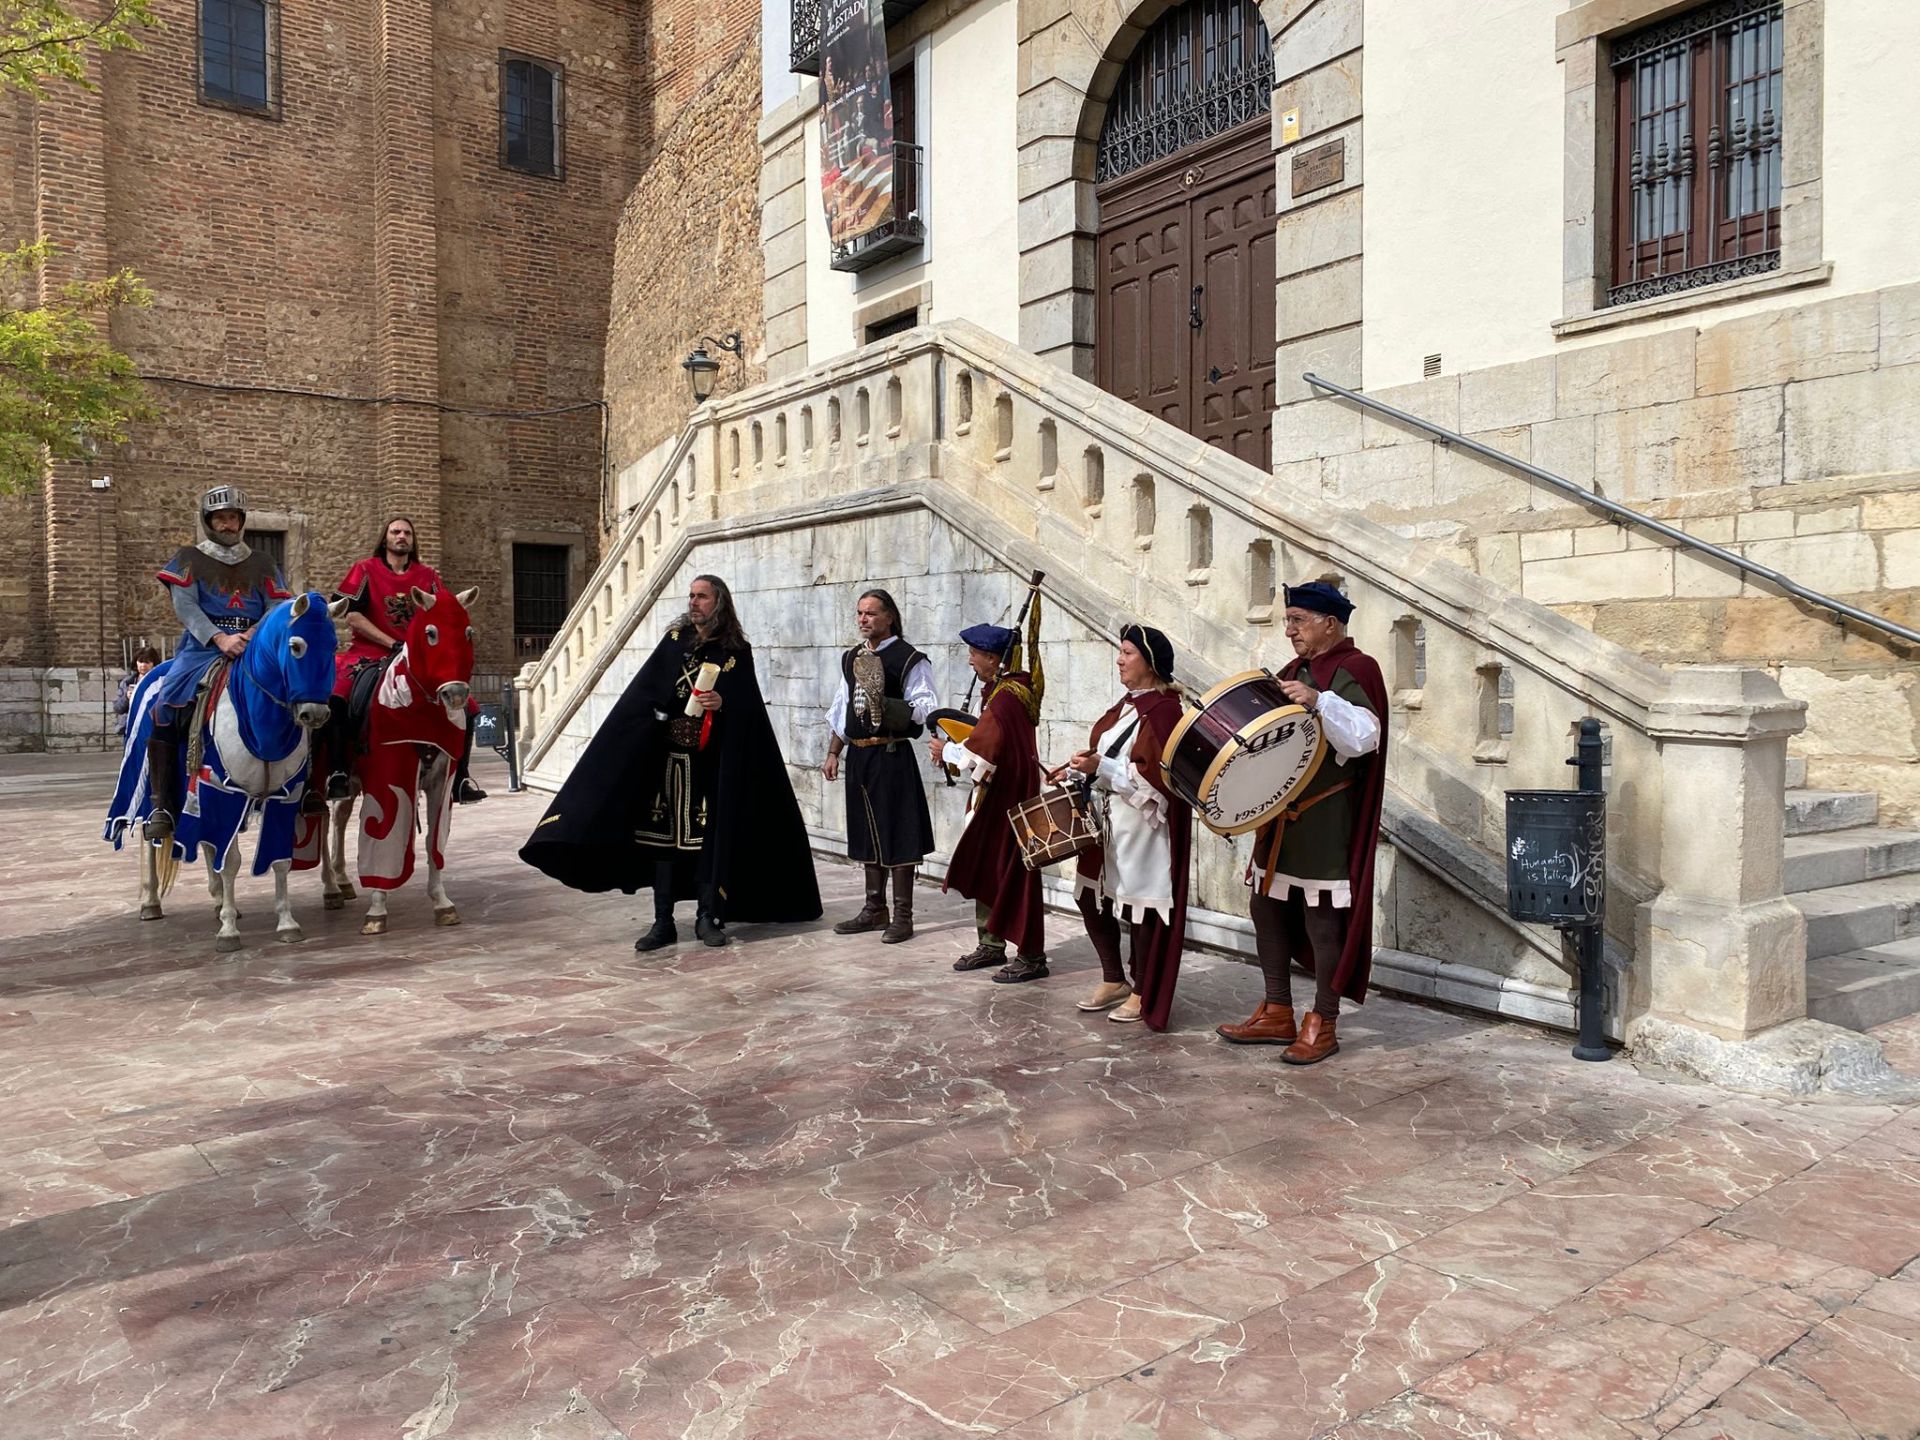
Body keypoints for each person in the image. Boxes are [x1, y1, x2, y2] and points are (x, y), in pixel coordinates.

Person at [520, 574, 820, 948]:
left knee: (707, 841)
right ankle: (663, 922)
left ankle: (707, 917)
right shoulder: (676, 641)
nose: (694, 602)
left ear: (719, 602)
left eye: (702, 596)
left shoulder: (735, 651)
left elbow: (749, 708)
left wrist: (722, 704)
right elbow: (646, 693)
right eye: (691, 595)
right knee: (662, 843)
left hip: (708, 765)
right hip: (665, 762)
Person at [1215, 581, 1388, 1066]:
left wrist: (1318, 700)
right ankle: (1276, 1010)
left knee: (1321, 916)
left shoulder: (1357, 669)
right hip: (1278, 816)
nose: (1289, 630)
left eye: (1298, 620)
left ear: (1330, 624)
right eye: (1287, 621)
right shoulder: (1292, 671)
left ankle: (1323, 1021)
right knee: (1265, 905)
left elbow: (1365, 737)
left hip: (1325, 816)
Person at [144, 485, 292, 842]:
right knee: (166, 704)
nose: (228, 524)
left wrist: (252, 635)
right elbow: (186, 606)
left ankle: (304, 784)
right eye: (221, 518)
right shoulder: (188, 558)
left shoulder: (263, 562)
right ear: (208, 521)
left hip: (256, 646)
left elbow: (277, 605)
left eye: (233, 518)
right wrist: (220, 638)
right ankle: (162, 804)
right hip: (202, 648)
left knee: (300, 694)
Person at [1062, 624, 1192, 1028]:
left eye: (1128, 653)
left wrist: (1101, 766)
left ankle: (1143, 989)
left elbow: (1158, 779)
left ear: (1150, 663)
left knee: (1142, 907)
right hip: (1107, 815)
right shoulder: (1127, 705)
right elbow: (1109, 756)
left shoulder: (1166, 710)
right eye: (1120, 652)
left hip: (1144, 823)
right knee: (1089, 895)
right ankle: (1114, 978)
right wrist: (1080, 770)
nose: (1119, 660)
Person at [321, 516, 486, 805]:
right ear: (385, 538)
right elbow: (353, 616)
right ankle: (339, 771)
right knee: (339, 696)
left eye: (407, 533)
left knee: (468, 706)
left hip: (416, 657)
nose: (401, 536)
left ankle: (461, 777)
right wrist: (392, 643)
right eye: (396, 531)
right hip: (369, 652)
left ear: (413, 540)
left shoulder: (427, 576)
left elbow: (442, 614)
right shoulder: (365, 569)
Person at [928, 623, 1048, 984]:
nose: (970, 661)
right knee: (988, 866)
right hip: (998, 795)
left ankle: (1031, 956)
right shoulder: (1003, 691)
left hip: (1007, 797)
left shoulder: (1007, 698)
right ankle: (992, 943)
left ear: (993, 658)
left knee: (1014, 873)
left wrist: (947, 751)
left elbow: (985, 750)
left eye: (975, 654)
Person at [824, 588, 936, 943]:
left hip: (891, 755)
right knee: (865, 830)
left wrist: (883, 704)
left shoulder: (909, 658)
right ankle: (874, 909)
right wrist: (833, 752)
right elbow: (842, 707)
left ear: (889, 617)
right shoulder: (851, 658)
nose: (863, 619)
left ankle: (903, 916)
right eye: (860, 613)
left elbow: (925, 708)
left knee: (898, 831)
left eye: (871, 613)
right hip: (859, 756)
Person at [114, 646, 161, 738]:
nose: (143, 665)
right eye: (140, 661)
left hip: (150, 727)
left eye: (147, 662)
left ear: (154, 663)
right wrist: (126, 697)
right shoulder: (128, 682)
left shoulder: (159, 682)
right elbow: (117, 708)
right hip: (131, 728)